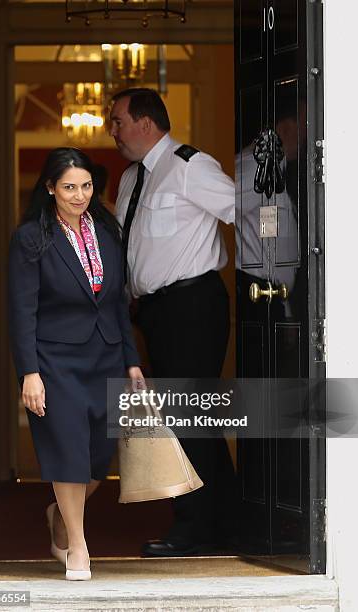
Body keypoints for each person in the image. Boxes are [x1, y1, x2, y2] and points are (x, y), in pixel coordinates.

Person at [110, 88, 237, 556]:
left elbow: (242, 210)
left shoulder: (190, 166)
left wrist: (271, 276)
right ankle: (229, 517)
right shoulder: (129, 179)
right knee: (185, 413)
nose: (113, 130)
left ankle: (195, 526)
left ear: (146, 122)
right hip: (152, 311)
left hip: (192, 305)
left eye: (119, 120)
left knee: (184, 413)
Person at [8, 147, 144, 579]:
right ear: (50, 188)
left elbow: (118, 303)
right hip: (56, 360)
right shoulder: (32, 237)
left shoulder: (107, 231)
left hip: (104, 355)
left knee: (99, 460)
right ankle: (79, 547)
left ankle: (58, 514)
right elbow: (21, 310)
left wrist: (132, 361)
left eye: (86, 186)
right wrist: (29, 372)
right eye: (69, 187)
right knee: (69, 452)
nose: (80, 195)